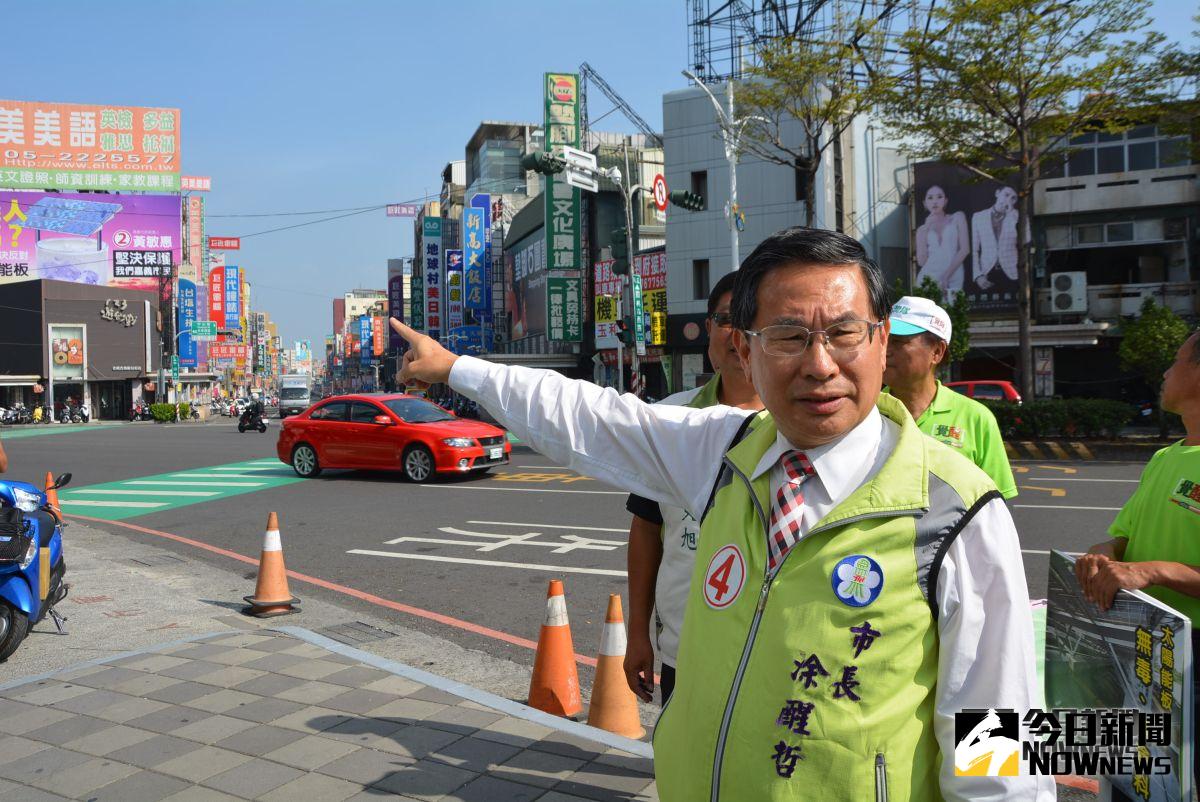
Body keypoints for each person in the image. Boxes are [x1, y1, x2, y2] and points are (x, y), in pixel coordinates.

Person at [390, 226, 1051, 801]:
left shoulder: (958, 510)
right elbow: (589, 417)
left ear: (880, 343)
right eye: (790, 337)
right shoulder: (721, 449)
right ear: (750, 349)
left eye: (845, 334)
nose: (820, 366)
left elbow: (1003, 740)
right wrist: (456, 368)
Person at [624, 271, 763, 706]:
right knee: (684, 772)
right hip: (685, 653)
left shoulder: (812, 431)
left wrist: (975, 772)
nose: (738, 335)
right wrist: (637, 633)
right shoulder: (671, 419)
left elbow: (975, 689)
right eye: (728, 320)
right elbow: (646, 529)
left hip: (770, 659)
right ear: (709, 330)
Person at [1076, 330, 1200, 782]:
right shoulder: (1166, 457)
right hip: (1144, 644)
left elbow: (1143, 567)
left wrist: (1153, 571)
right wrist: (1102, 557)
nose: (1166, 372)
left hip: (1191, 653)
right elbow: (1121, 539)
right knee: (1139, 775)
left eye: (1176, 360)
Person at [883, 295, 1017, 499]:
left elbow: (995, 502)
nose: (885, 350)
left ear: (937, 352)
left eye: (898, 341)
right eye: (882, 339)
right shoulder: (863, 411)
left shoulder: (976, 419)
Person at [914, 185, 970, 298]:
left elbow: (965, 250)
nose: (935, 201)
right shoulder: (922, 229)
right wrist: (926, 228)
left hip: (954, 274)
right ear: (925, 203)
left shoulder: (957, 217)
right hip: (929, 277)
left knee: (953, 310)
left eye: (939, 197)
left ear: (945, 200)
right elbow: (922, 261)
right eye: (930, 198)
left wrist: (946, 276)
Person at [971, 186, 1019, 296]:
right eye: (1006, 195)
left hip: (1012, 272)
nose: (1008, 200)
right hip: (987, 271)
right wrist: (978, 275)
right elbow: (974, 249)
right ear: (997, 193)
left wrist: (1012, 214)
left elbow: (1026, 241)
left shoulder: (1017, 216)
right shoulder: (978, 217)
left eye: (1013, 198)